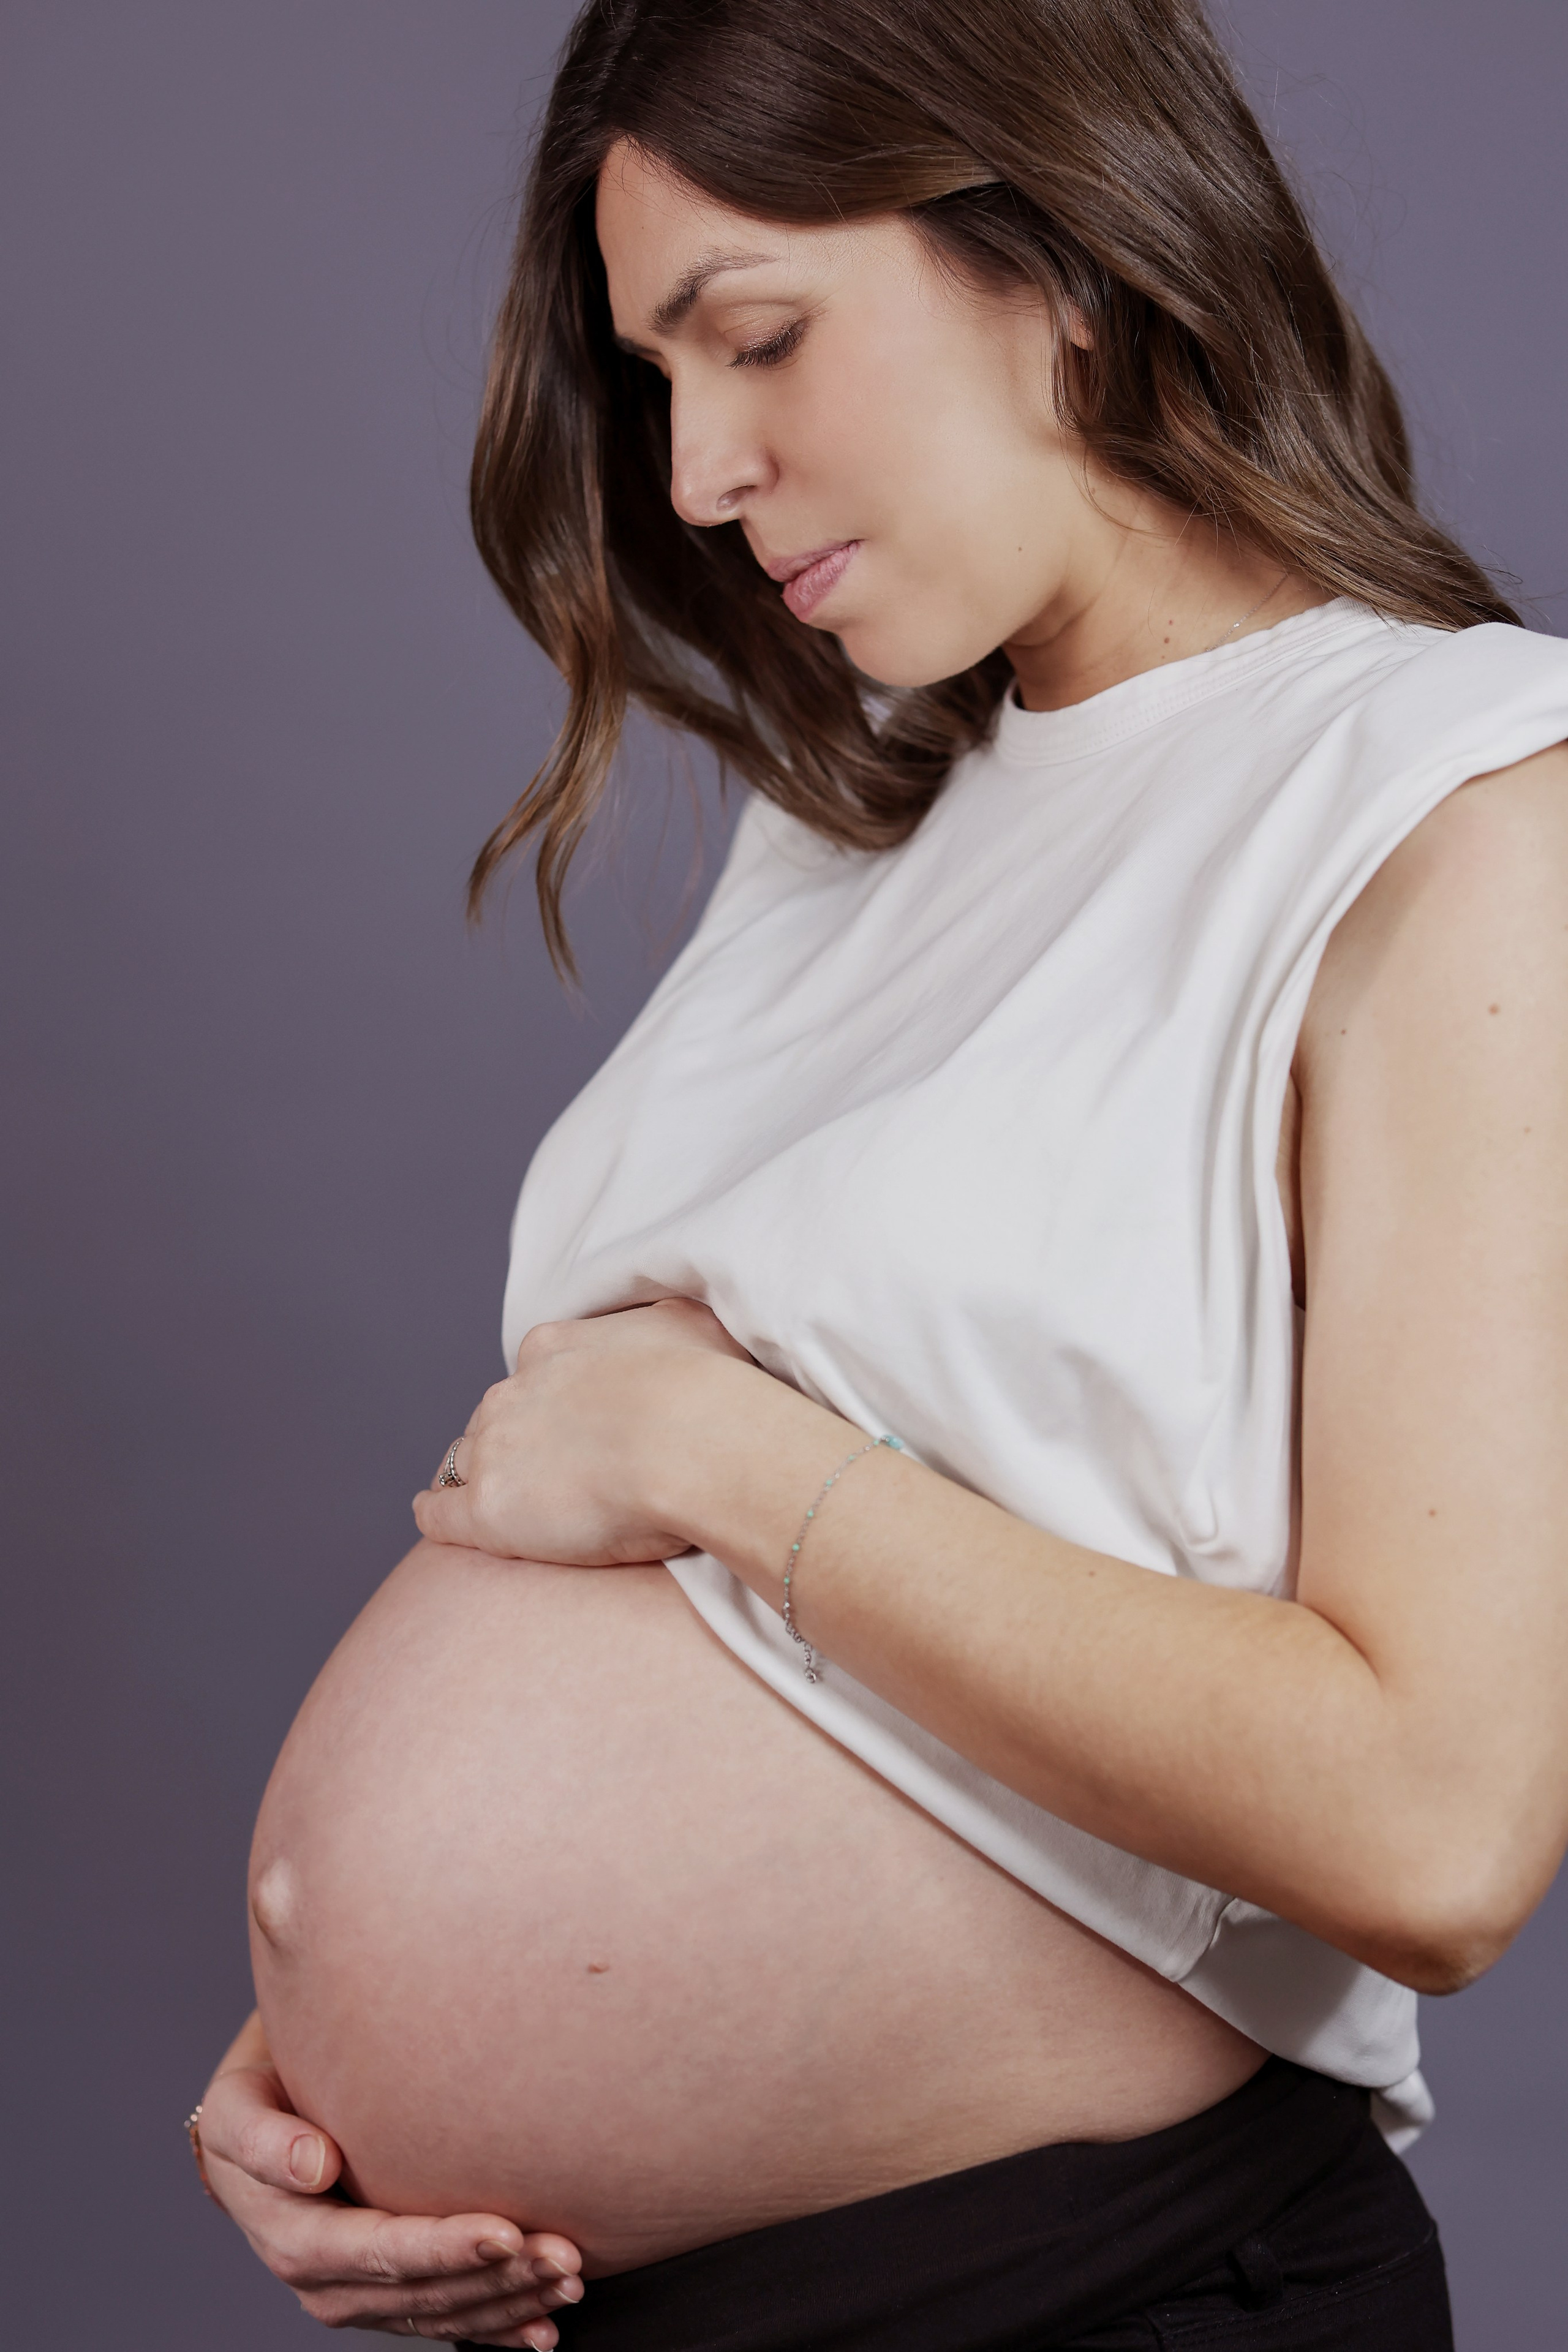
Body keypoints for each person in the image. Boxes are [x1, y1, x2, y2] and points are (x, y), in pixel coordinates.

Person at [190, 1, 1568, 2345]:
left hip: (1089, 2296)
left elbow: (1434, 1826)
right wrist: (324, 2073)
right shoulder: (870, 822)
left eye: (757, 337)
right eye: (654, 378)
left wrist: (733, 1463)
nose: (701, 464)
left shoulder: (1457, 808)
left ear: (1069, 254)